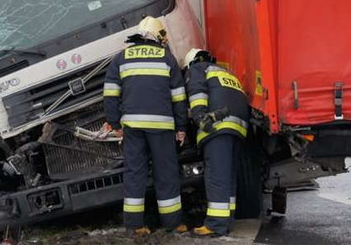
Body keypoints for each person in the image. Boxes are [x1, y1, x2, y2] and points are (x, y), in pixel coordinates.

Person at [103, 16, 188, 236]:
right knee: (166, 173)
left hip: (133, 127)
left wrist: (114, 123)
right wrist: (181, 127)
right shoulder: (167, 59)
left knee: (134, 173)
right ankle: (172, 224)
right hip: (162, 128)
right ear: (159, 37)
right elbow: (178, 97)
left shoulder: (121, 58)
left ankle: (134, 225)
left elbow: (110, 94)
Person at [183, 48, 250, 237]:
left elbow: (197, 93)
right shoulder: (225, 73)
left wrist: (199, 117)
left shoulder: (197, 69)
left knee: (216, 177)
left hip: (217, 128)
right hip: (238, 129)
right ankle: (227, 219)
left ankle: (215, 225)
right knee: (228, 176)